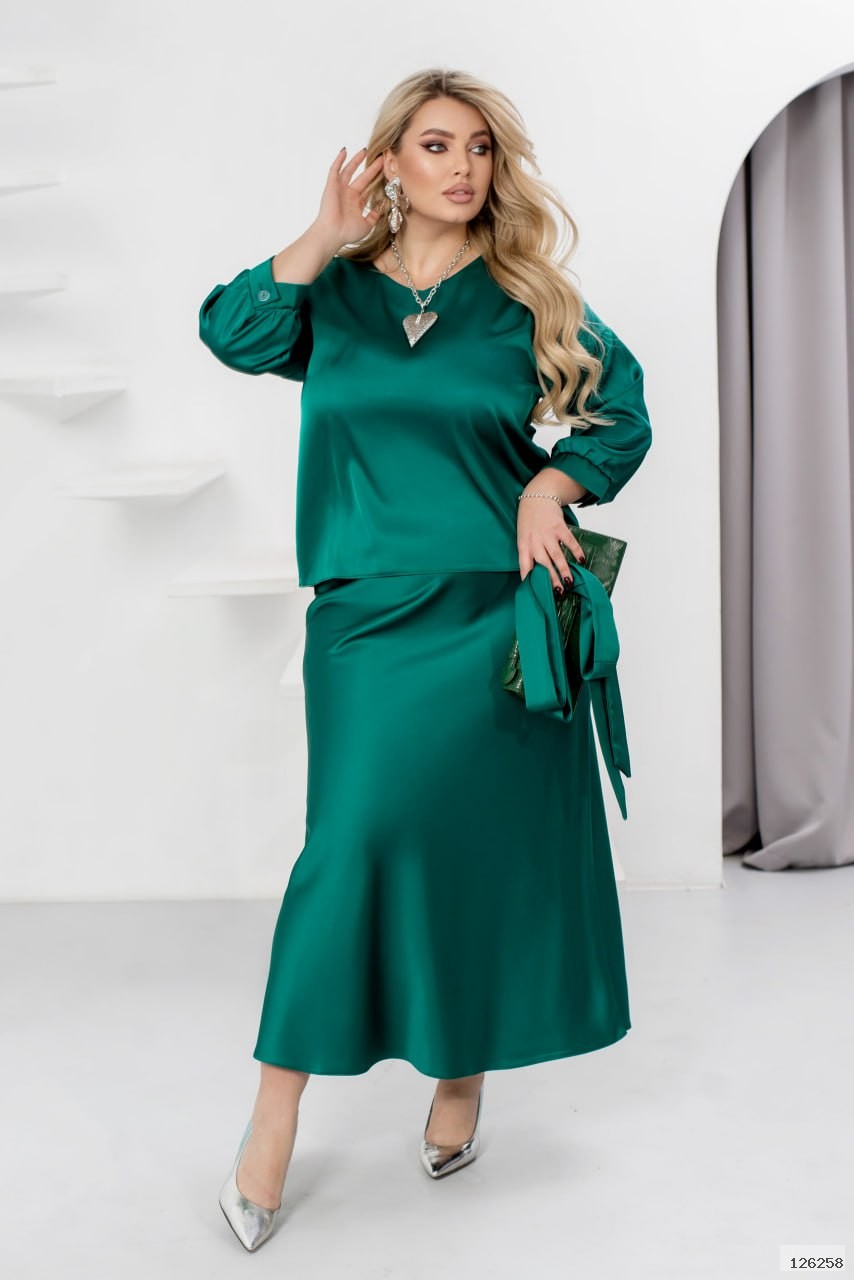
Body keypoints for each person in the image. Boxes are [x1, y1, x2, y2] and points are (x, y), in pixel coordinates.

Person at [198, 66, 652, 1253]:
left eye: (479, 148)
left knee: (471, 850)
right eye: (435, 145)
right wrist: (317, 236)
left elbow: (622, 414)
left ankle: (459, 1070)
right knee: (346, 847)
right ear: (389, 161)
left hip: (489, 612)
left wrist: (549, 485)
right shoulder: (334, 294)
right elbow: (231, 331)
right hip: (362, 615)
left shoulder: (525, 299)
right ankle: (273, 1115)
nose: (461, 167)